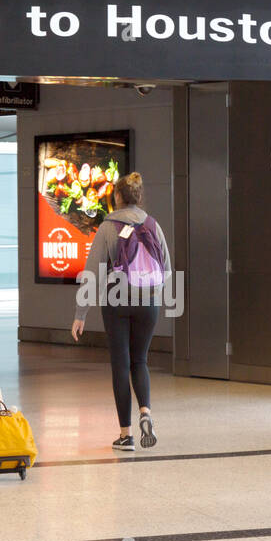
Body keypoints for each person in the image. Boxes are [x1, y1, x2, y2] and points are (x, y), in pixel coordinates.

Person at [70, 172, 172, 451]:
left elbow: (92, 273)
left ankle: (125, 435)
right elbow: (166, 269)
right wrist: (155, 298)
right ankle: (146, 412)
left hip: (116, 302)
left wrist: (81, 314)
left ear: (117, 197)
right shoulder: (153, 225)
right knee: (140, 360)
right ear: (139, 197)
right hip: (148, 302)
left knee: (120, 364)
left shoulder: (108, 227)